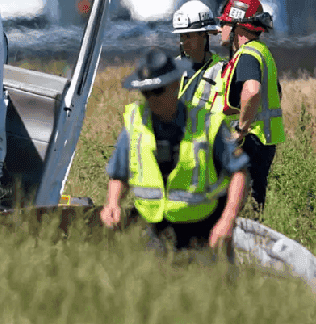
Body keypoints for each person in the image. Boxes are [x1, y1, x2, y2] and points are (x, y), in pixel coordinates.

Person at [100, 48, 248, 257]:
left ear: (176, 84)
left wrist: (228, 219)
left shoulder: (207, 123)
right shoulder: (135, 124)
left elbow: (238, 173)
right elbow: (118, 174)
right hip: (153, 233)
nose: (152, 99)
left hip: (204, 232)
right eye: (146, 93)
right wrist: (113, 203)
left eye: (158, 90)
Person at [210, 0, 283, 213]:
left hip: (252, 140)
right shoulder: (262, 53)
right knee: (253, 202)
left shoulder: (248, 55)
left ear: (236, 26)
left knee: (242, 206)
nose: (221, 28)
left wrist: (240, 129)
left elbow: (252, 91)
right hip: (263, 140)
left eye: (224, 23)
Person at [171, 0, 223, 108]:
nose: (184, 42)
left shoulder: (221, 70)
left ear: (204, 35)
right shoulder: (172, 68)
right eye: (182, 36)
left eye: (189, 36)